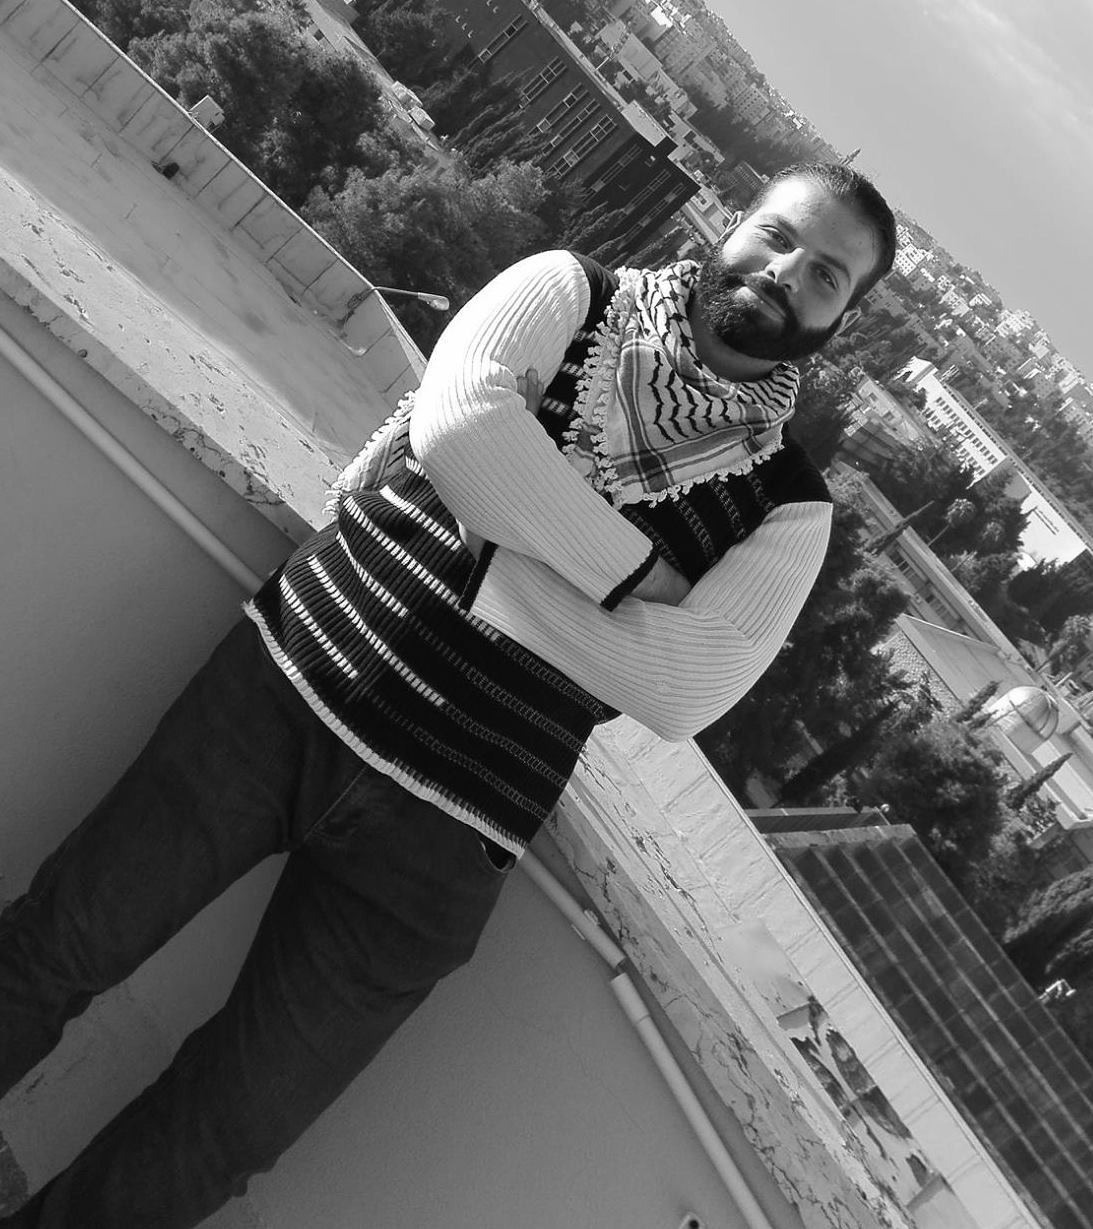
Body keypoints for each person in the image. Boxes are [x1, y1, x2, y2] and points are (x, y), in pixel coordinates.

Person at [0, 161, 895, 1228]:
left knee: (222, 1134)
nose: (786, 272)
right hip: (288, 689)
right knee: (54, 946)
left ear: (837, 321)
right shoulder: (570, 294)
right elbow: (458, 433)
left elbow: (680, 683)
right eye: (777, 235)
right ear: (732, 224)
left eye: (826, 275)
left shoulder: (787, 509)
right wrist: (632, 581)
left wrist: (501, 547)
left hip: (444, 839)